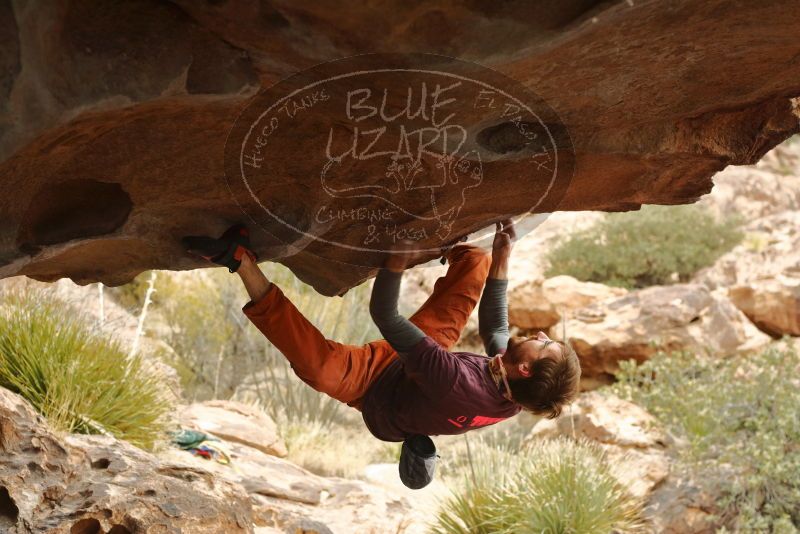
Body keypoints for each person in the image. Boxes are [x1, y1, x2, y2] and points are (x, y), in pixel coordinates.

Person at [182, 220, 581, 489]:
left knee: (319, 368)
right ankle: (449, 232)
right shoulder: (517, 395)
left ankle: (239, 259)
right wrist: (504, 255)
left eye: (546, 343)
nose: (543, 334)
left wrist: (396, 261)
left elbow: (385, 316)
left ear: (525, 368)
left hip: (375, 385)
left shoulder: (458, 385)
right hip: (426, 361)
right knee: (477, 262)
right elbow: (495, 329)